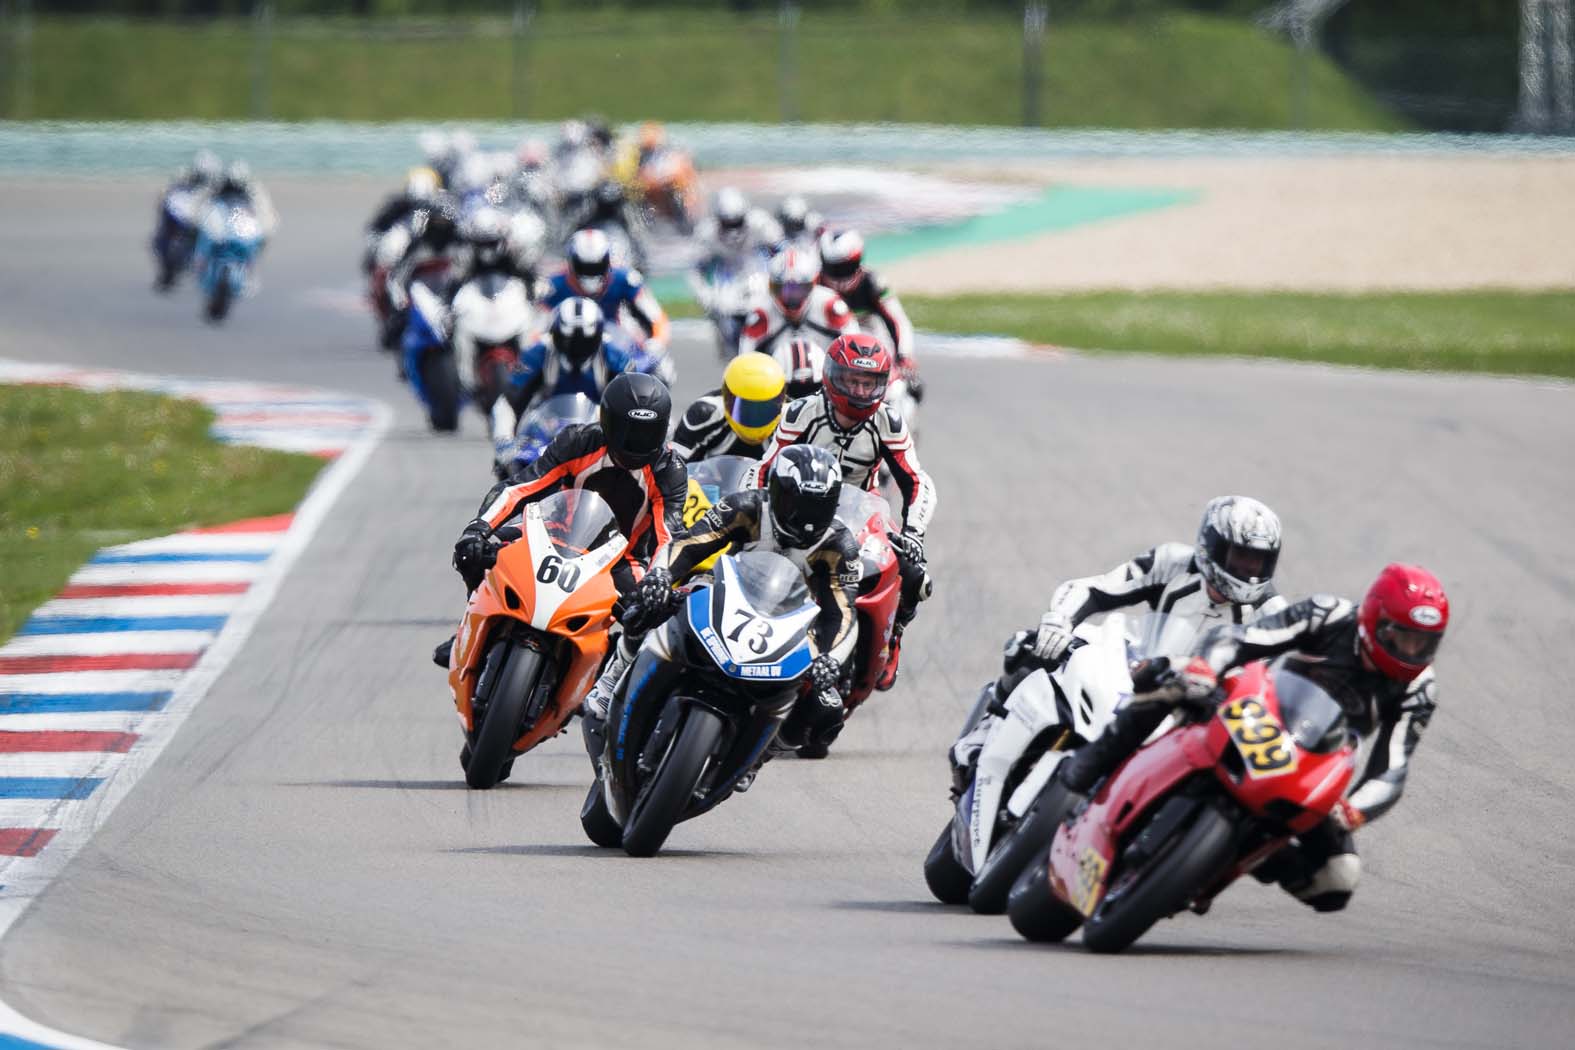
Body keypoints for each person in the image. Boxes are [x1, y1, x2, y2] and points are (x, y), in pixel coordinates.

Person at [1056, 562, 1449, 913]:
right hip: (1252, 706)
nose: (1410, 651)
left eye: (1423, 643)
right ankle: (1092, 763)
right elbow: (1241, 639)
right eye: (1401, 637)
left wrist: (1354, 809)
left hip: (1308, 765)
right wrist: (1206, 669)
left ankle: (1246, 857)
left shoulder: (1418, 689)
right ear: (1374, 618)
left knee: (1338, 879)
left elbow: (1393, 767)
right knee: (1170, 676)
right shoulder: (1328, 616)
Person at [949, 495, 1286, 792]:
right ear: (1211, 546)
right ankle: (983, 732)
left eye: (1258, 561)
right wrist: (1060, 620)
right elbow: (1095, 589)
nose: (1249, 570)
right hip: (1130, 665)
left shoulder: (1272, 613)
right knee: (1032, 645)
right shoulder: (1173, 563)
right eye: (1240, 557)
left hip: (1191, 711)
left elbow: (1280, 685)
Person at [582, 445, 862, 778]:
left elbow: (843, 613)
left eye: (818, 508)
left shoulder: (840, 546)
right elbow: (688, 545)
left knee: (824, 704)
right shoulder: (747, 506)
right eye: (796, 503)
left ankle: (758, 755)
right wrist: (660, 576)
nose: (805, 518)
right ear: (775, 491)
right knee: (649, 601)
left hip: (789, 628)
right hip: (724, 594)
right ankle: (612, 680)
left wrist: (830, 658)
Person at [437, 372, 687, 668]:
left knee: (653, 615)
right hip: (555, 536)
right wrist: (478, 529)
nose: (635, 443)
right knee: (475, 553)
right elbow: (521, 488)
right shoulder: (579, 441)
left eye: (646, 433)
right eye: (627, 431)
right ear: (607, 422)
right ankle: (469, 631)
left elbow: (667, 534)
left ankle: (612, 683)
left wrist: (658, 577)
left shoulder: (669, 471)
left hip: (622, 559)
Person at [755, 332, 935, 690]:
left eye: (870, 383)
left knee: (915, 574)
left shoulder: (888, 421)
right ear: (833, 376)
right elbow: (765, 469)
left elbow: (916, 481)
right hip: (796, 509)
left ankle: (892, 639)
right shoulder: (801, 411)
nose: (860, 391)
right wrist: (760, 512)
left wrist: (913, 533)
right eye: (853, 380)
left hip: (861, 514)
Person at [541, 229, 672, 381]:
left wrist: (656, 342)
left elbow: (657, 318)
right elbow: (537, 329)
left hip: (616, 345)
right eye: (585, 267)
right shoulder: (553, 285)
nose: (591, 273)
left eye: (596, 266)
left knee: (661, 368)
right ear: (571, 263)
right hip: (567, 350)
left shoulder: (626, 279)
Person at [506, 297, 664, 419]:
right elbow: (508, 399)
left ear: (598, 336)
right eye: (569, 340)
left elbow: (635, 397)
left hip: (599, 434)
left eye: (584, 341)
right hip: (546, 433)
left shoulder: (613, 354)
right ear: (555, 334)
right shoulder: (537, 353)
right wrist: (505, 439)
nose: (576, 347)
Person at [817, 229, 916, 373]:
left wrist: (904, 355)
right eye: (832, 269)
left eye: (844, 268)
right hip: (827, 349)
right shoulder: (814, 283)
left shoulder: (874, 283)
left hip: (871, 349)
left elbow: (898, 320)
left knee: (907, 387)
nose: (838, 276)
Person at [736, 247, 858, 356]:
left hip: (825, 375)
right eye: (783, 289)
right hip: (777, 378)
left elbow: (854, 343)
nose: (791, 297)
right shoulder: (762, 312)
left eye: (798, 289)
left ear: (813, 284)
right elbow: (745, 356)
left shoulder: (829, 304)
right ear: (771, 287)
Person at [670, 353, 788, 462]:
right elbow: (674, 466)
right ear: (726, 397)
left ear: (781, 402)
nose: (754, 416)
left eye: (764, 409)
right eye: (744, 408)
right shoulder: (704, 414)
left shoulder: (793, 418)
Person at [152, 149, 222, 290]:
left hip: (201, 216)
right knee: (161, 240)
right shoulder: (182, 176)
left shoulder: (217, 183)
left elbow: (220, 201)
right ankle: (167, 272)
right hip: (180, 213)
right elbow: (167, 193)